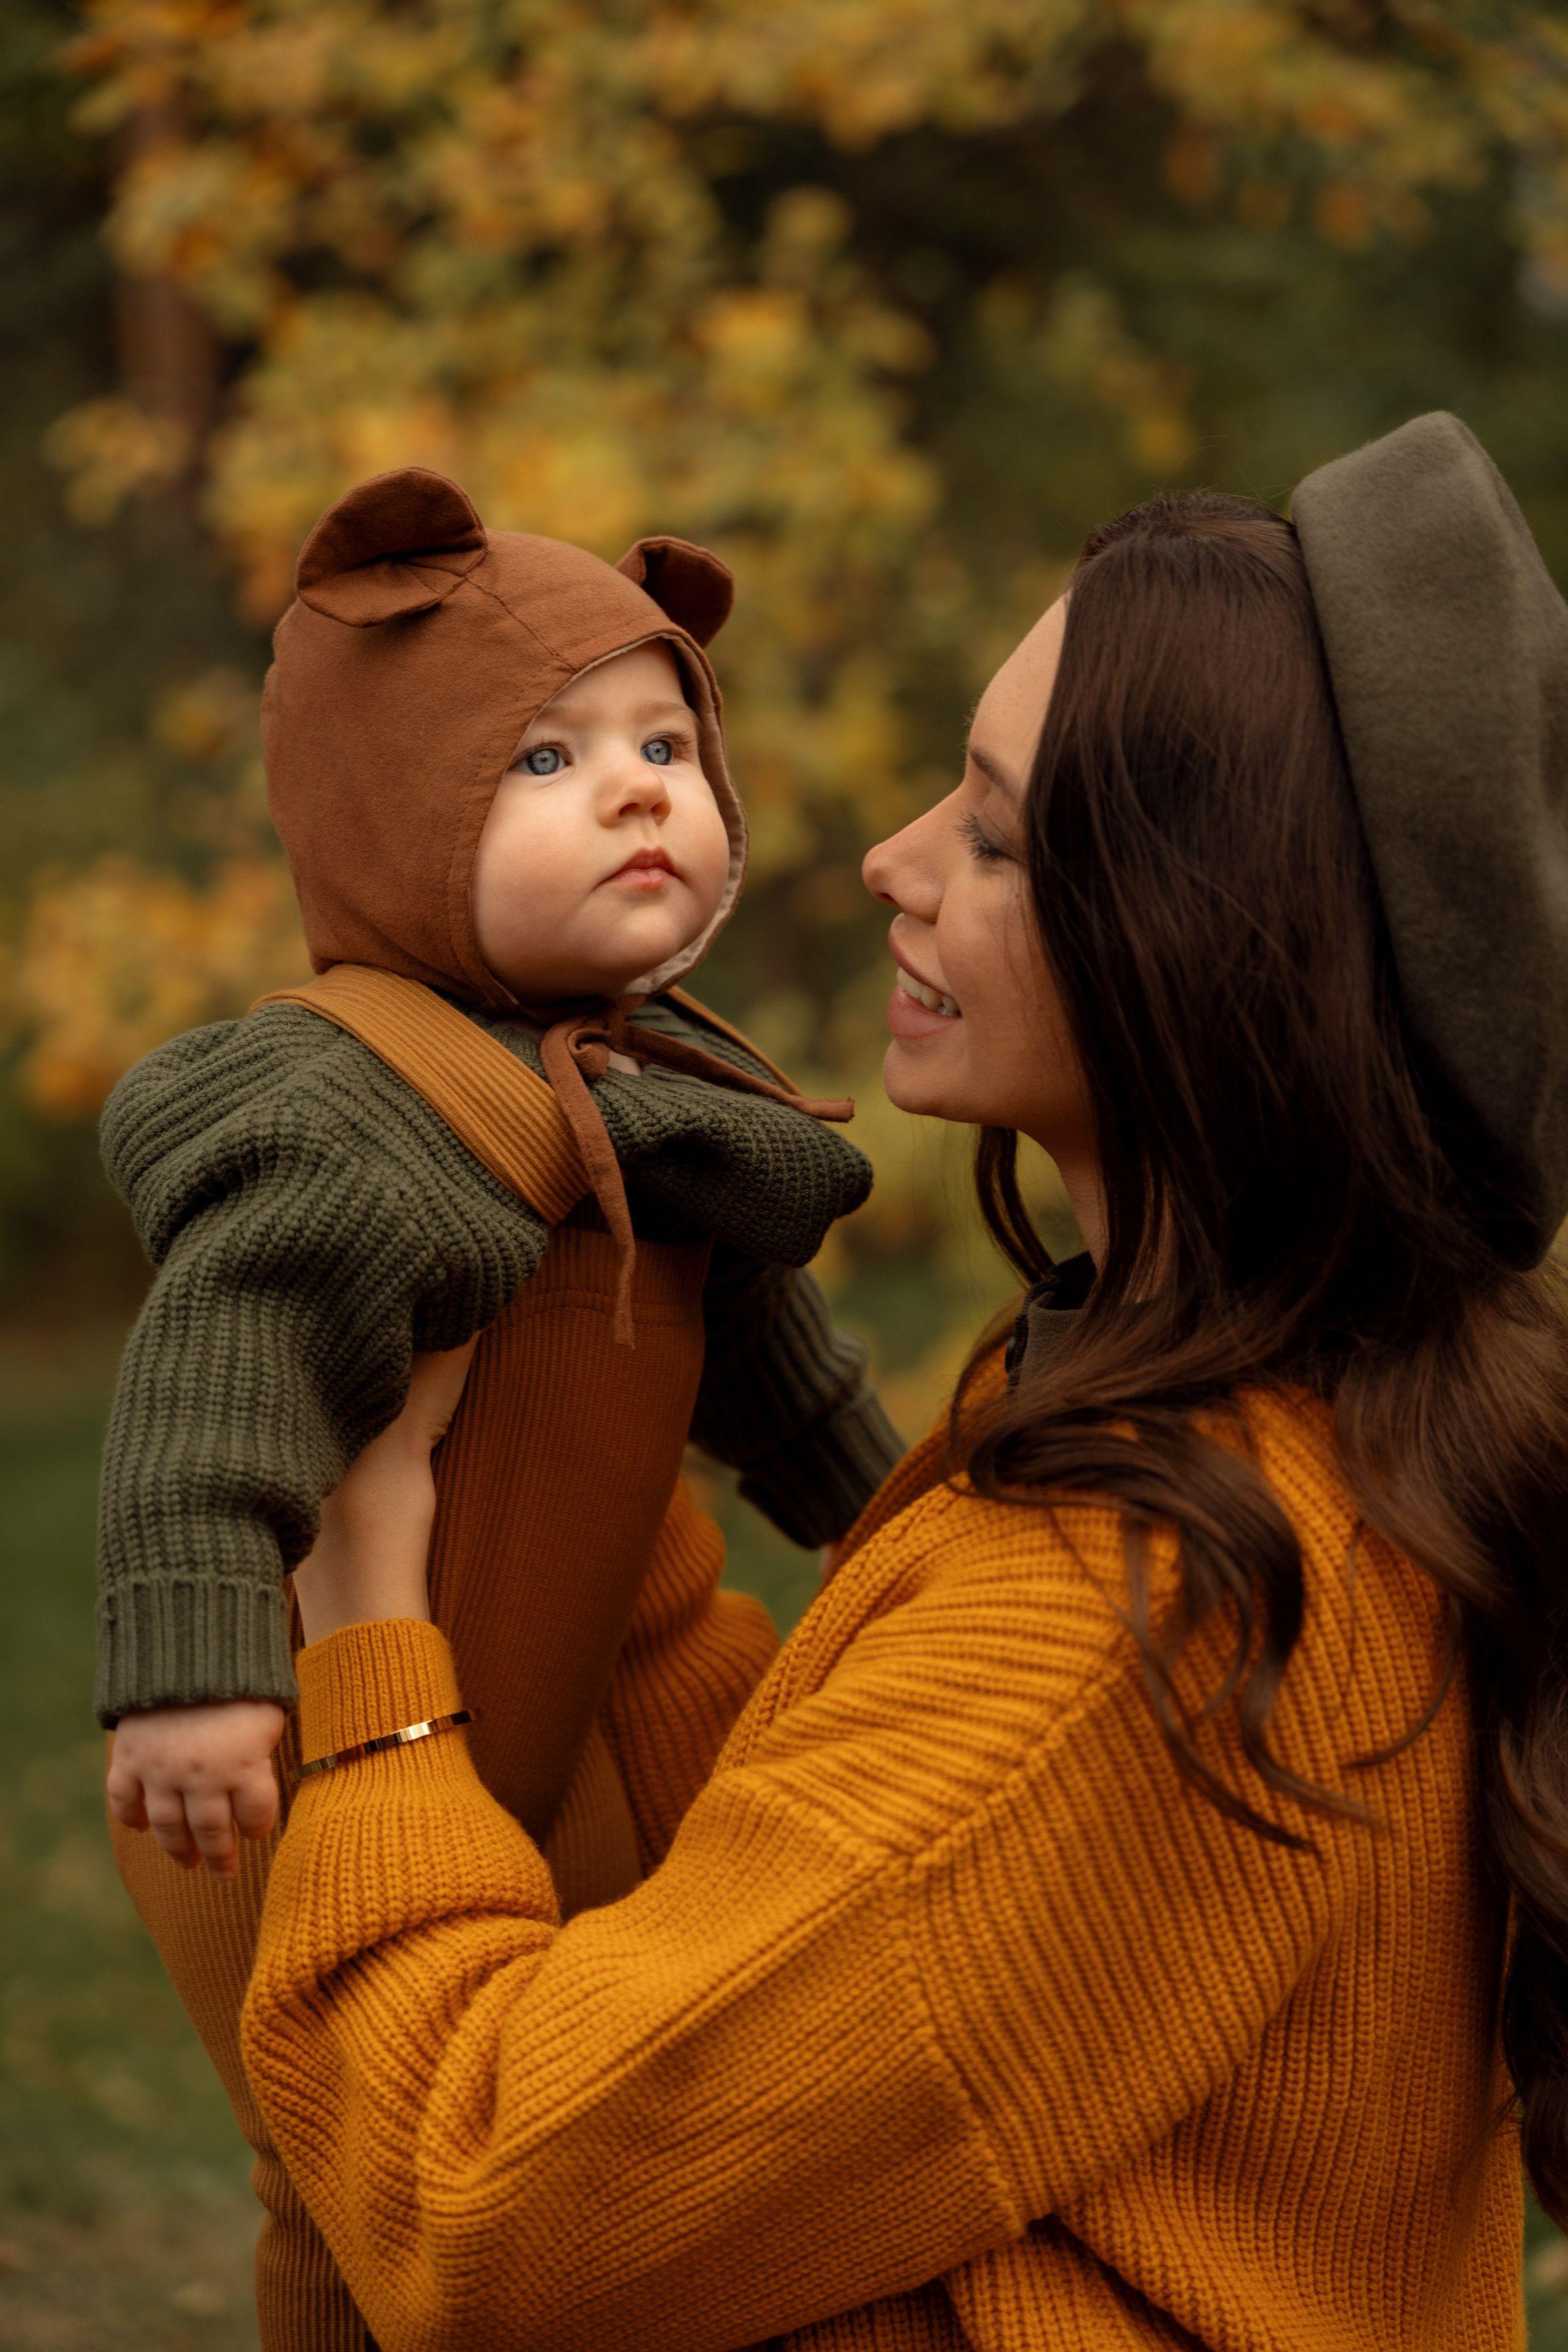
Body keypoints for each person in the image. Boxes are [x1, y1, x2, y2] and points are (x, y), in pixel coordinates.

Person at [237, 413, 1568, 2350]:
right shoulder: (1305, 1409)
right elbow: (845, 1917)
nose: (888, 861)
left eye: (1000, 837)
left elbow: (489, 2213)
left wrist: (374, 1659)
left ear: (1209, 952)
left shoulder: (1148, 1598)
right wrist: (600, 1508)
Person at [97, 466, 901, 2349]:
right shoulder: (344, 1121)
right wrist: (203, 1679)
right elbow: (211, 1399)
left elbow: (766, 1368)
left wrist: (888, 1518)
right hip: (291, 1749)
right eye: (545, 761)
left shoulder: (670, 1096)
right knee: (346, 2163)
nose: (640, 789)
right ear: (391, 818)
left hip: (590, 1689)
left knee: (661, 2086)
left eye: (664, 745)